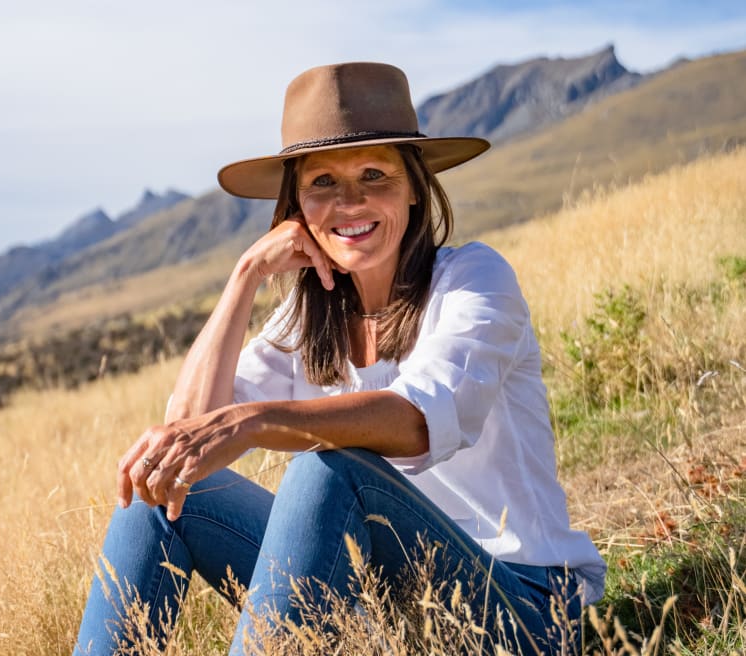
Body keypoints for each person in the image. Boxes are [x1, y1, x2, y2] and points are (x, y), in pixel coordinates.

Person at [73, 62, 606, 655]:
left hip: (520, 612)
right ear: (295, 206)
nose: (349, 202)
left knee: (330, 471)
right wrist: (244, 275)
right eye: (322, 182)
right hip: (387, 616)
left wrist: (257, 422)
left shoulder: (474, 281)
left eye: (374, 174)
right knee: (167, 488)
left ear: (414, 187)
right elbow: (188, 434)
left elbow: (416, 420)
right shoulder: (311, 317)